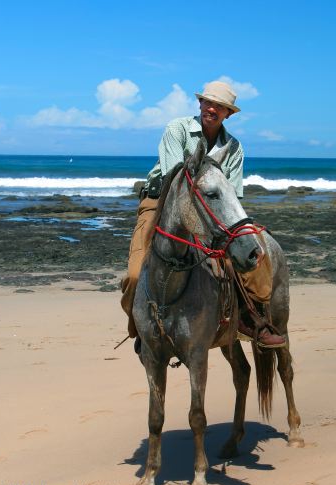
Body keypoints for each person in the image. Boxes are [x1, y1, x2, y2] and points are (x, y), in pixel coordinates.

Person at [120, 80, 285, 347]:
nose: (212, 109)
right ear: (200, 103)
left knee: (251, 256)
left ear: (228, 113)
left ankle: (249, 319)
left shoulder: (234, 147)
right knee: (136, 274)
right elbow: (175, 180)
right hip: (162, 203)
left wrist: (228, 226)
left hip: (212, 209)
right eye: (209, 103)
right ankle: (140, 328)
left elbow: (231, 192)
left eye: (220, 106)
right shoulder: (178, 129)